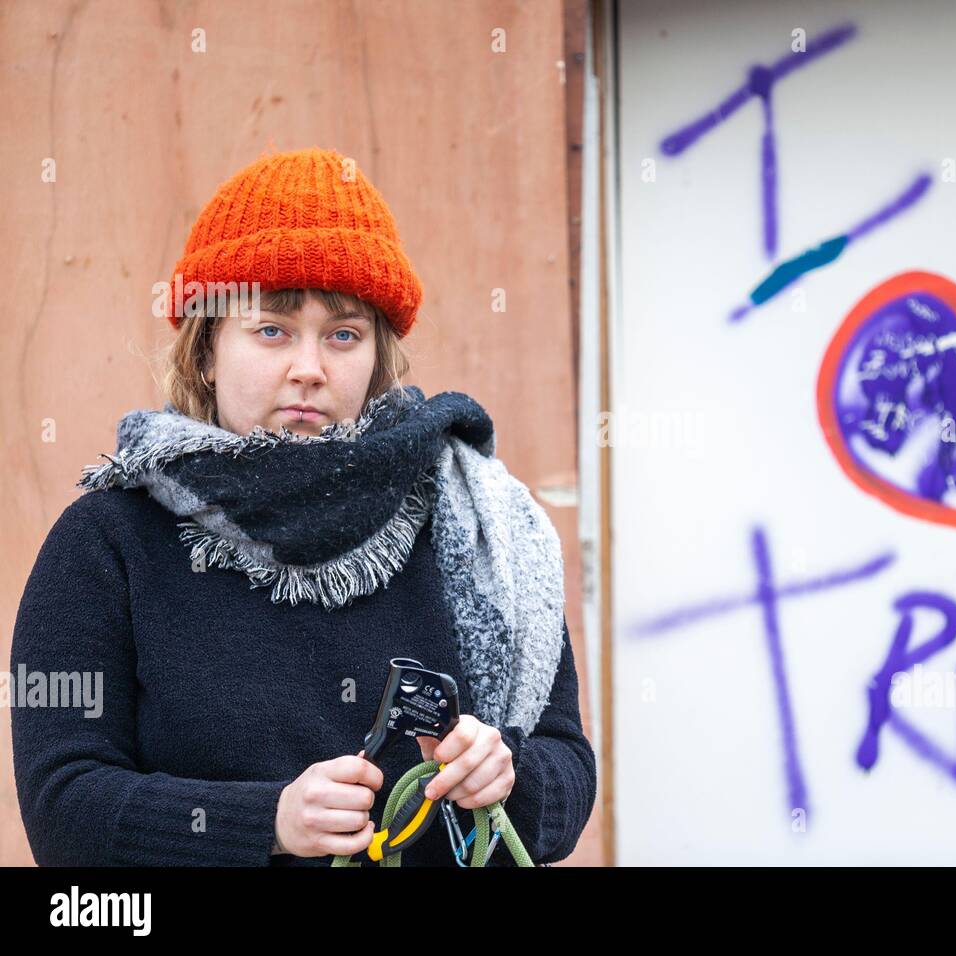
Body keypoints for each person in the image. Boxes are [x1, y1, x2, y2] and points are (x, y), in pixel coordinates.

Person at [9, 147, 597, 867]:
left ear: (377, 357)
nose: (310, 368)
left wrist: (509, 777)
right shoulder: (106, 541)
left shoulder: (479, 526)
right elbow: (63, 810)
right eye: (272, 330)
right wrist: (268, 822)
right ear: (205, 350)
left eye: (343, 334)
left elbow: (567, 764)